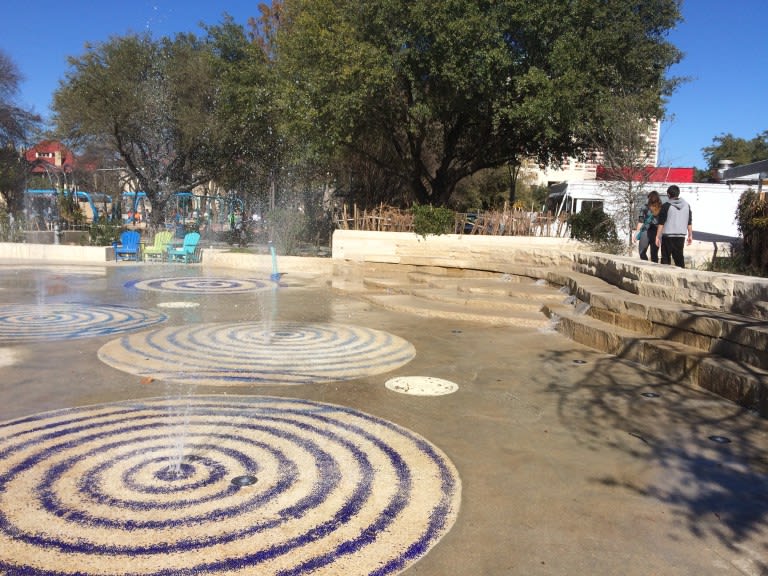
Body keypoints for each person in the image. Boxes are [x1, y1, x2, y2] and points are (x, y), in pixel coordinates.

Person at [655, 184, 693, 268]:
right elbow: (689, 222)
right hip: (681, 236)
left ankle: (665, 278)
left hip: (668, 236)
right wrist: (690, 235)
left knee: (665, 259)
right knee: (679, 259)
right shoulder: (687, 205)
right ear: (678, 194)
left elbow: (661, 223)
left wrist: (657, 236)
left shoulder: (666, 206)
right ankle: (682, 277)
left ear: (668, 194)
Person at [634, 190, 662, 262]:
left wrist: (636, 233)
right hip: (655, 232)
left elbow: (641, 221)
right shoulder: (661, 208)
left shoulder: (645, 207)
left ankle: (645, 265)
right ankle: (653, 269)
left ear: (649, 198)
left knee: (642, 252)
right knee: (654, 255)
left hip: (647, 231)